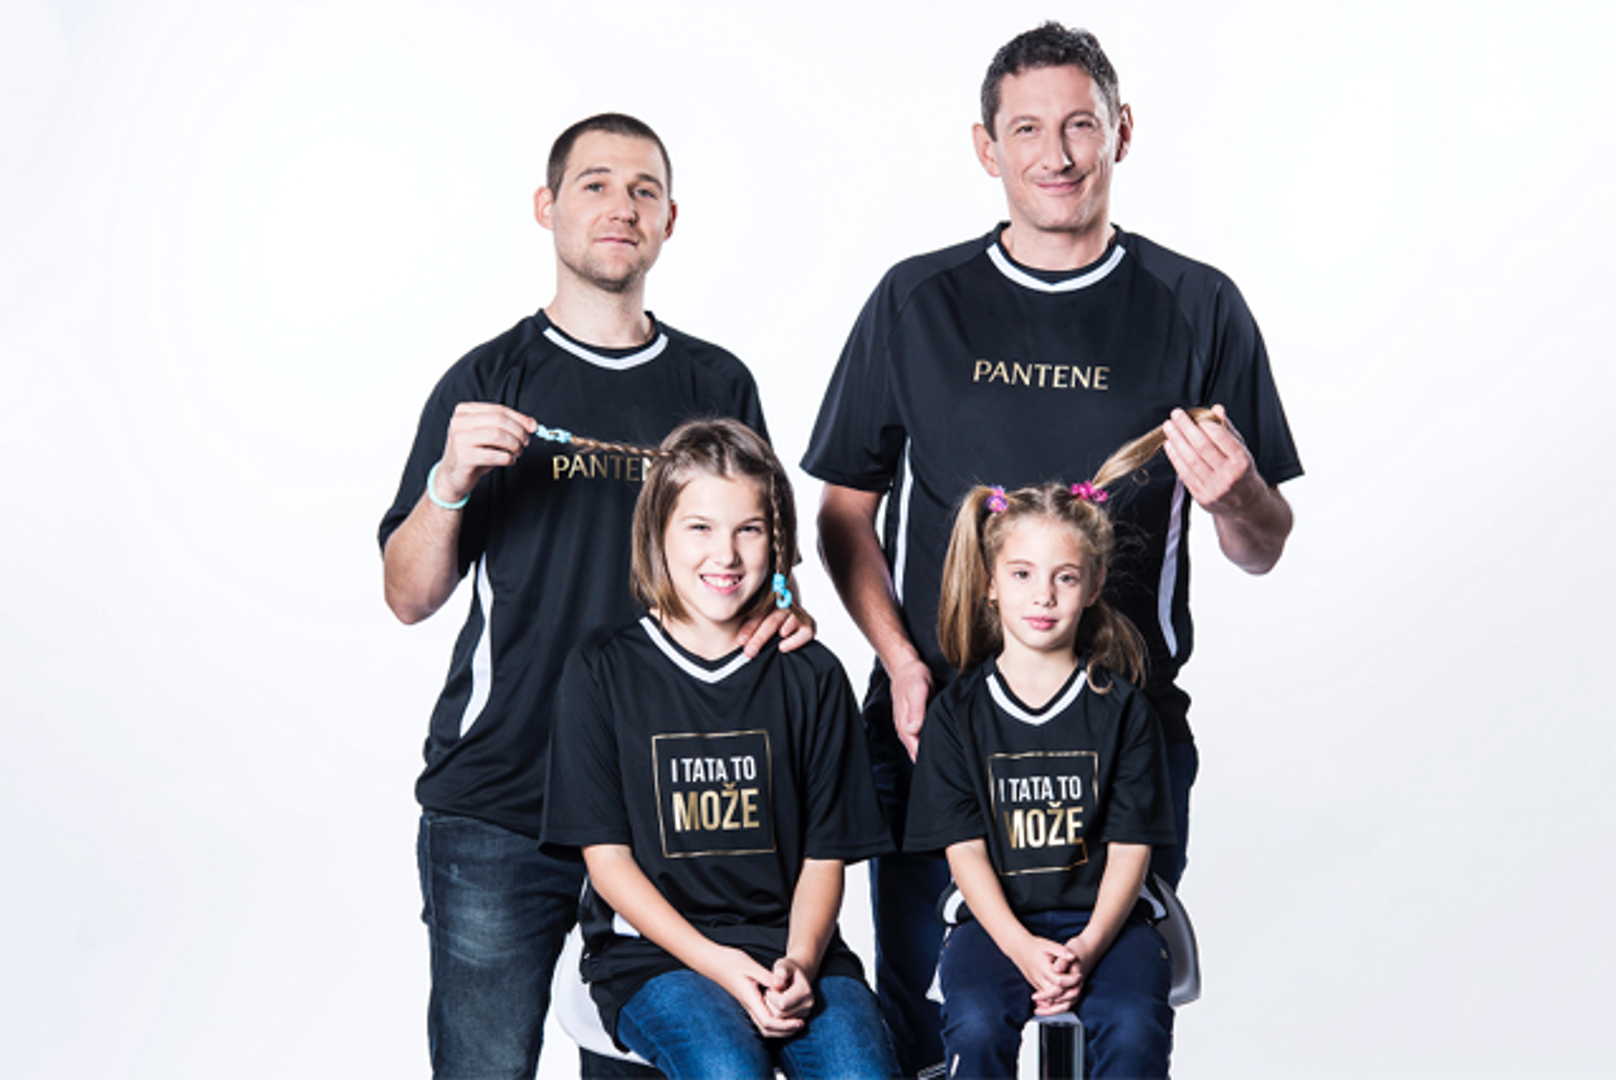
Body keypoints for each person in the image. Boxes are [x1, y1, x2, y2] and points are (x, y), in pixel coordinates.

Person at [801, 23, 1302, 1076]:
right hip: (935, 722)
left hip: (1121, 734)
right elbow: (844, 512)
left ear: (1122, 132)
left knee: (1104, 1006)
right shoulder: (915, 301)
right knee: (934, 1019)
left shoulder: (1195, 304)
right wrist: (899, 660)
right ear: (985, 147)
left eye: (1080, 124)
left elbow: (1261, 545)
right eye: (1026, 129)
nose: (1057, 154)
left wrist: (1239, 496)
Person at [379, 114, 806, 1080]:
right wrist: (449, 482)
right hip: (506, 800)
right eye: (596, 184)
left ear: (670, 220)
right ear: (547, 206)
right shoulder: (489, 378)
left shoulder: (716, 382)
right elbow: (407, 596)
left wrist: (784, 603)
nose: (622, 206)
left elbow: (768, 558)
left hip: (675, 808)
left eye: (644, 189)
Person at [541, 419, 902, 1080]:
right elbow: (609, 864)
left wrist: (799, 963)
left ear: (778, 539)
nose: (726, 554)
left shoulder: (812, 674)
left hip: (796, 950)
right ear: (658, 532)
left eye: (749, 529)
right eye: (700, 528)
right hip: (655, 955)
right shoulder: (601, 669)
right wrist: (720, 964)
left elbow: (825, 858)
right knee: (728, 1069)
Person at [907, 420, 1214, 1079]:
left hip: (1109, 923)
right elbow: (964, 854)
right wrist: (1021, 948)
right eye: (1022, 574)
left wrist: (1089, 944)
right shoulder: (957, 716)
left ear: (1094, 585)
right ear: (990, 582)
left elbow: (1131, 850)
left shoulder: (1124, 711)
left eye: (1065, 577)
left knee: (1133, 1028)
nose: (1042, 595)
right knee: (977, 1024)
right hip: (993, 925)